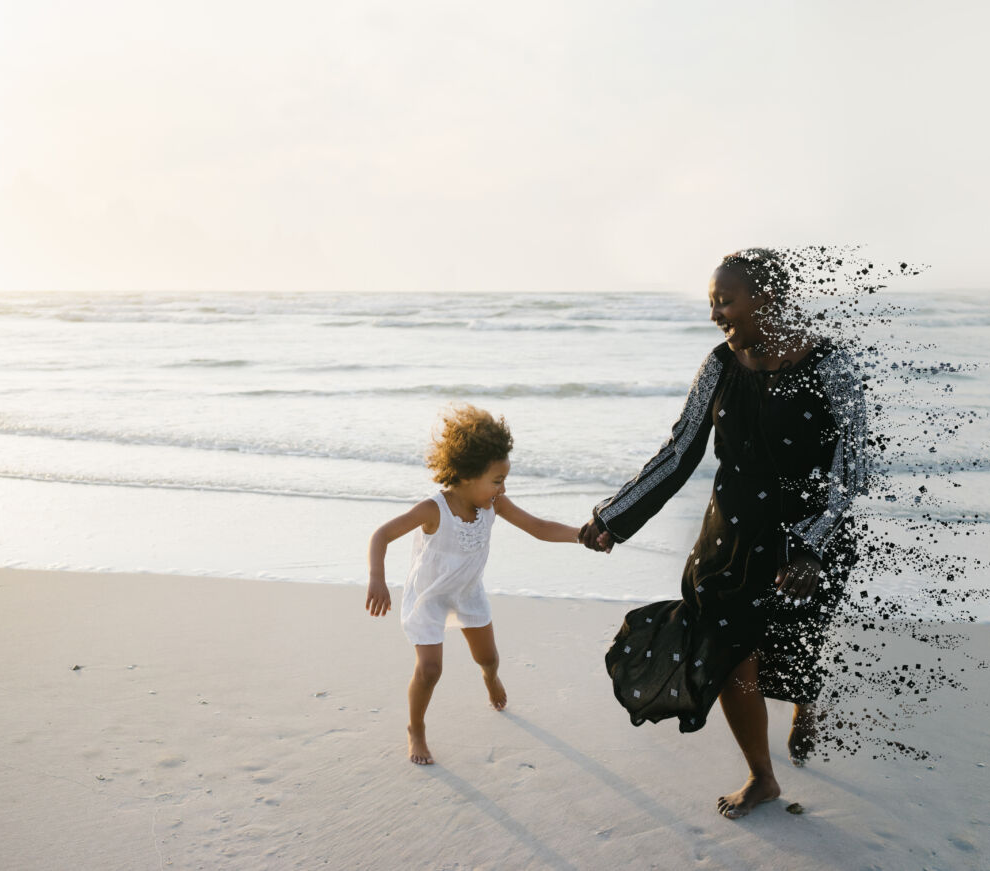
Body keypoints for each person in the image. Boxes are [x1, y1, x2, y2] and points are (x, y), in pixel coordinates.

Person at [579, 248, 867, 818]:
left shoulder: (831, 363)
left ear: (768, 299)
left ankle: (805, 701)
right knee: (735, 655)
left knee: (792, 651)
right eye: (712, 302)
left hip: (808, 540)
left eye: (725, 301)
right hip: (729, 539)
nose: (715, 314)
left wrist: (811, 547)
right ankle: (762, 778)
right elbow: (680, 449)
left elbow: (853, 468)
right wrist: (615, 516)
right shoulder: (717, 365)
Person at [366, 404, 583, 765]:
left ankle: (490, 678)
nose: (502, 487)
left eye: (504, 480)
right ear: (466, 476)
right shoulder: (433, 509)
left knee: (488, 657)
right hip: (429, 598)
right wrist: (377, 578)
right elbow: (382, 534)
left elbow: (539, 527)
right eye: (497, 480)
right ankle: (415, 728)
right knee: (430, 670)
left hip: (468, 593)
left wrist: (583, 535)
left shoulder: (494, 504)